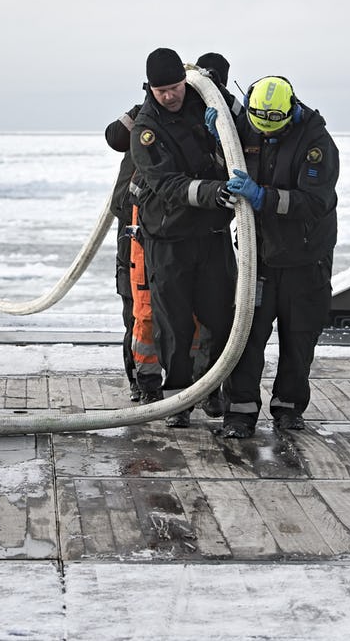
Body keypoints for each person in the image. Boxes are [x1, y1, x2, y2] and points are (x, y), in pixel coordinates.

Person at [217, 75, 338, 438]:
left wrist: (262, 197)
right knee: (246, 337)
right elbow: (225, 158)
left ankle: (288, 409)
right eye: (260, 128)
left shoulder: (316, 143)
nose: (266, 135)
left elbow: (315, 201)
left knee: (299, 338)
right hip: (262, 257)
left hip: (306, 260)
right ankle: (239, 414)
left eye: (275, 128)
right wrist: (215, 134)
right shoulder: (246, 127)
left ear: (291, 111)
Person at [130, 48, 238, 428]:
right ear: (150, 89)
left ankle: (212, 389)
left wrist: (224, 120)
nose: (170, 96)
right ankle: (178, 403)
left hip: (210, 236)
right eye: (161, 91)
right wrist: (212, 192)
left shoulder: (204, 103)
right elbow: (166, 184)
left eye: (175, 88)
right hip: (169, 239)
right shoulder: (145, 129)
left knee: (220, 317)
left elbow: (243, 132)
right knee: (173, 325)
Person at [105, 105, 144, 400]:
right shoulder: (145, 115)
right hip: (131, 224)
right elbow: (115, 137)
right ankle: (140, 381)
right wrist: (142, 109)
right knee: (134, 309)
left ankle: (195, 386)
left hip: (178, 228)